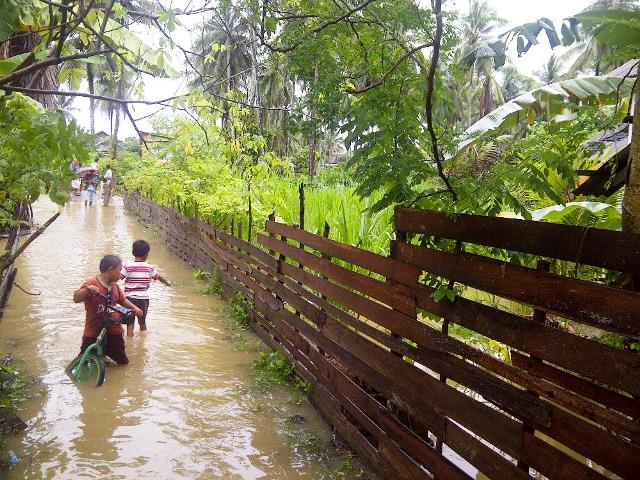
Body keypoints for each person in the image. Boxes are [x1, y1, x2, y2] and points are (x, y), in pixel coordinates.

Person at [73, 255, 143, 366]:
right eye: (119, 270)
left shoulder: (115, 287)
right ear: (110, 269)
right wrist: (87, 290)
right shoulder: (92, 282)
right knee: (83, 361)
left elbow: (123, 300)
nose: (121, 275)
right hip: (93, 329)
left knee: (122, 361)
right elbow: (76, 298)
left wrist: (135, 308)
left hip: (114, 328)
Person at [120, 240, 171, 337]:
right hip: (143, 299)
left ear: (133, 253)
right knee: (142, 322)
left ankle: (129, 340)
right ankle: (143, 341)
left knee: (130, 322)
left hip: (129, 299)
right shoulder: (150, 268)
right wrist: (167, 283)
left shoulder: (127, 267)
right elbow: (159, 277)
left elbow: (119, 277)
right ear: (147, 254)